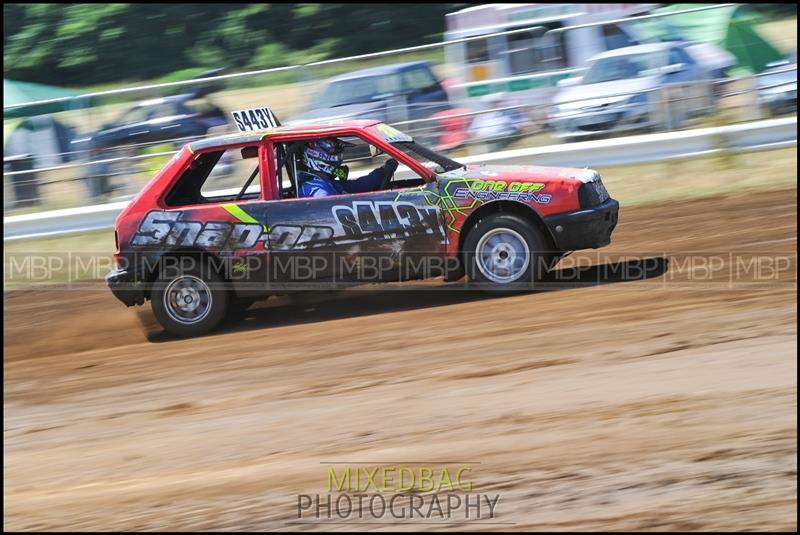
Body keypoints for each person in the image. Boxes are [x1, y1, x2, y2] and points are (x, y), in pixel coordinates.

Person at [297, 138, 398, 198]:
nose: (339, 158)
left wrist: (382, 172)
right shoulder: (315, 188)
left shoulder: (328, 182)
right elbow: (335, 210)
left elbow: (357, 186)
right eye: (334, 151)